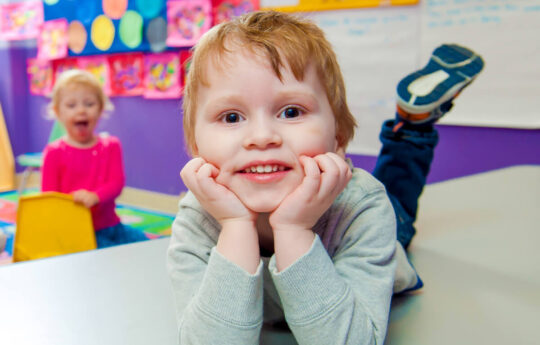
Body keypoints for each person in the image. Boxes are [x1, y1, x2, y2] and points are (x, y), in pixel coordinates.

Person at [167, 11, 483, 345]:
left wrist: (293, 230)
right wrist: (234, 225)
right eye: (231, 117)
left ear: (339, 136)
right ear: (194, 144)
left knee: (397, 203)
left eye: (291, 112)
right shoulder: (196, 219)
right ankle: (412, 120)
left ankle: (413, 123)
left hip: (355, 210)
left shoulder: (361, 208)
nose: (261, 137)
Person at [42, 69, 148, 248]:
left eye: (89, 104)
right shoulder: (53, 152)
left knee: (145, 246)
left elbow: (116, 183)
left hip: (112, 226)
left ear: (100, 109)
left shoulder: (111, 146)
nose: (81, 110)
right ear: (58, 112)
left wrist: (95, 196)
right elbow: (49, 198)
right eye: (71, 105)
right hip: (75, 232)